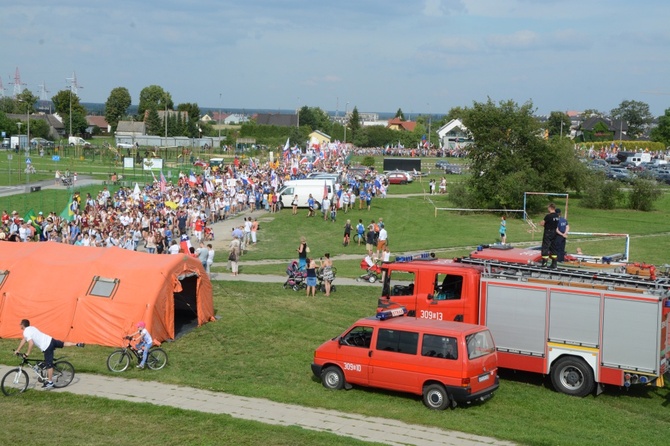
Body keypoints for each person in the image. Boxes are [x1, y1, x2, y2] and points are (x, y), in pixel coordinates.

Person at [14, 319, 84, 388]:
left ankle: (50, 382)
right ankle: (77, 344)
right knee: (63, 344)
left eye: (20, 324)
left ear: (22, 325)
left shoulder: (26, 332)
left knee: (49, 365)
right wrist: (18, 350)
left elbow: (31, 343)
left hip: (47, 346)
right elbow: (24, 340)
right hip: (50, 340)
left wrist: (27, 353)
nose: (20, 325)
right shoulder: (32, 328)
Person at [539, 203, 559, 268]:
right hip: (554, 232)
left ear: (550, 208)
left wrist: (541, 223)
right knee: (553, 247)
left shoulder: (548, 216)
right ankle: (554, 263)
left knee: (545, 246)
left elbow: (542, 223)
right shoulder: (557, 216)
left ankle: (544, 263)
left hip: (548, 232)